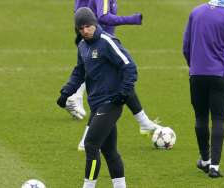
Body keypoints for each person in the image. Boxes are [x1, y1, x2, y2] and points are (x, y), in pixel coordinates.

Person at [66, 0, 162, 151]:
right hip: (101, 46)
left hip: (93, 42)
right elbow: (103, 17)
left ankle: (144, 123)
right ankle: (85, 137)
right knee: (107, 92)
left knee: (116, 85)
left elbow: (79, 10)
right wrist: (132, 19)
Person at [57, 7, 136, 188]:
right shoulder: (83, 46)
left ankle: (88, 186)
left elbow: (129, 66)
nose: (85, 30)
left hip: (111, 103)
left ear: (95, 23)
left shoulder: (107, 41)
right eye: (80, 28)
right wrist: (65, 92)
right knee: (109, 151)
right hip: (97, 105)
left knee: (91, 144)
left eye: (88, 26)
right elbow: (79, 72)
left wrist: (123, 93)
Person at [183, 0, 224, 178]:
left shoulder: (196, 12)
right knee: (218, 119)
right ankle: (215, 167)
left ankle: (205, 160)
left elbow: (185, 46)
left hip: (197, 75)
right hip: (219, 75)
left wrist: (193, 67)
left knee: (200, 117)